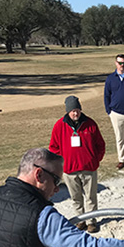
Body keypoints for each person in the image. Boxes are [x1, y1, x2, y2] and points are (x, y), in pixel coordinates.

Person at [48, 96, 106, 234]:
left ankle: (92, 221)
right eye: (73, 111)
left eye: (78, 110)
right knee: (76, 197)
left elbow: (100, 145)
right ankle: (81, 220)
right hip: (69, 170)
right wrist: (63, 162)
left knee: (91, 197)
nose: (76, 113)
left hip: (89, 168)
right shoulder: (59, 126)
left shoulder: (90, 124)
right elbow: (53, 147)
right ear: (68, 111)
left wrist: (95, 160)